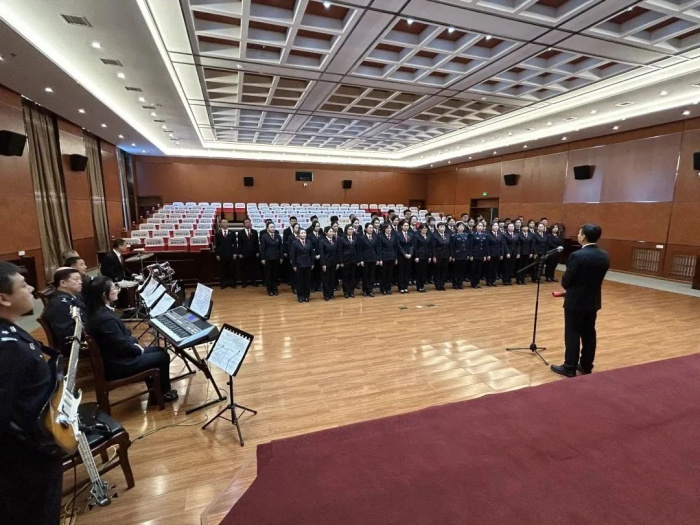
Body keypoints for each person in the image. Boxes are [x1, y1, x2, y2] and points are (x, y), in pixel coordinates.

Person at [0, 262, 63, 524]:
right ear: (4, 298)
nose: (32, 290)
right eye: (24, 286)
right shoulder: (6, 347)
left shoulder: (11, 329)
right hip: (27, 455)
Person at [85, 276, 177, 400]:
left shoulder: (98, 311)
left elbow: (122, 336)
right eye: (114, 288)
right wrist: (137, 349)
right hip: (118, 365)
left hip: (115, 357)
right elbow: (121, 345)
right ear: (104, 295)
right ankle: (162, 395)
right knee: (163, 357)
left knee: (159, 350)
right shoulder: (105, 319)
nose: (117, 290)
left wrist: (133, 343)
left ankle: (156, 392)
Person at [551, 224, 610, 378]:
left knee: (572, 333)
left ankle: (569, 367)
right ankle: (586, 365)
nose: (578, 235)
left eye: (579, 233)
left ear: (583, 236)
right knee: (589, 333)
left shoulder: (577, 256)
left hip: (575, 301)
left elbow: (567, 281)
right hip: (593, 300)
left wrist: (567, 284)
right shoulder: (604, 255)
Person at [43, 267, 86, 356]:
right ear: (63, 283)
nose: (80, 282)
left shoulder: (73, 296)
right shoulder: (60, 304)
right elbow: (67, 333)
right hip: (75, 345)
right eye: (76, 279)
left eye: (80, 279)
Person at [290, 229, 314, 303]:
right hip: (299, 264)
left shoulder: (309, 242)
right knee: (300, 281)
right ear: (298, 234)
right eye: (302, 233)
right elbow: (293, 254)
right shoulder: (295, 243)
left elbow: (312, 253)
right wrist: (294, 265)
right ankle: (300, 296)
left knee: (307, 281)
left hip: (308, 264)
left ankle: (306, 296)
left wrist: (312, 263)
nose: (304, 234)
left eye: (304, 233)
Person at [260, 222, 283, 296]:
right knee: (269, 275)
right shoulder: (264, 236)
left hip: (276, 258)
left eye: (273, 227)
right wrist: (263, 258)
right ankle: (269, 289)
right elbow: (262, 248)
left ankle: (275, 289)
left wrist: (281, 257)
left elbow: (281, 247)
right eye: (271, 227)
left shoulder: (278, 236)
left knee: (275, 274)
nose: (273, 228)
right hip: (268, 258)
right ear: (267, 229)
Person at [215, 219, 238, 289]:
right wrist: (217, 254)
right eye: (223, 222)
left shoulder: (232, 233)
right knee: (223, 270)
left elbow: (235, 244)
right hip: (222, 254)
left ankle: (232, 283)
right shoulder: (218, 233)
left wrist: (235, 253)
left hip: (231, 254)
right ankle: (223, 283)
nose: (225, 223)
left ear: (228, 224)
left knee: (231, 269)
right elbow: (217, 245)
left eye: (226, 222)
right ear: (221, 224)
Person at [237, 218, 260, 287]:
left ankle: (253, 281)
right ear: (243, 224)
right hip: (244, 254)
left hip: (253, 253)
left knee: (253, 268)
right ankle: (244, 282)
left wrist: (257, 251)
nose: (248, 223)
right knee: (244, 268)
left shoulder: (254, 232)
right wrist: (240, 253)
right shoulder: (240, 233)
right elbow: (239, 244)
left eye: (249, 222)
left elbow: (256, 243)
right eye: (246, 222)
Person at [319, 226, 339, 301]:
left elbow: (337, 252)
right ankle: (326, 294)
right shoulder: (322, 241)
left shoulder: (334, 240)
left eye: (332, 231)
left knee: (332, 279)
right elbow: (322, 254)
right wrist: (323, 264)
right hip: (326, 263)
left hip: (333, 263)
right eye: (330, 231)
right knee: (326, 280)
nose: (331, 233)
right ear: (326, 232)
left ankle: (331, 294)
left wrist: (337, 262)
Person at [338, 225, 359, 298]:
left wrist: (358, 260)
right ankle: (346, 292)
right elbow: (340, 251)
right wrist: (341, 262)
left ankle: (351, 291)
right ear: (346, 230)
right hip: (345, 261)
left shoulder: (355, 238)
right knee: (345, 277)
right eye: (349, 229)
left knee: (353, 277)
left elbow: (357, 250)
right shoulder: (342, 239)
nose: (351, 230)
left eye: (352, 229)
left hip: (354, 260)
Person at [359, 223, 378, 297]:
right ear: (366, 229)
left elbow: (377, 249)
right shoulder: (362, 238)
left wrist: (377, 259)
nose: (371, 229)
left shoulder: (375, 237)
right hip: (365, 259)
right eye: (369, 228)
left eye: (372, 228)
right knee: (365, 275)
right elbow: (360, 250)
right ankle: (364, 290)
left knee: (371, 275)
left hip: (373, 259)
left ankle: (370, 290)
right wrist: (361, 260)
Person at [377, 222, 397, 295]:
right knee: (383, 274)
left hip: (391, 257)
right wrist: (380, 259)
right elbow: (379, 248)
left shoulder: (394, 236)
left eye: (390, 228)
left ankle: (388, 288)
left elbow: (395, 248)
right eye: (387, 228)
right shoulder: (381, 237)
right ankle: (383, 289)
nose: (389, 229)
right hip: (384, 257)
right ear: (384, 229)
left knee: (390, 273)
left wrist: (396, 258)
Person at [396, 220, 413, 294]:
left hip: (409, 255)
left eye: (407, 226)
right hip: (401, 255)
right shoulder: (398, 234)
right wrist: (404, 254)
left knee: (407, 271)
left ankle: (406, 286)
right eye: (405, 226)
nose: (406, 227)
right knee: (401, 271)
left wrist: (410, 254)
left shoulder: (411, 234)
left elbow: (412, 245)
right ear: (401, 226)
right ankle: (401, 287)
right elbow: (398, 246)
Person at [413, 223, 431, 293]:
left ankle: (422, 285)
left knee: (424, 272)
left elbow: (430, 247)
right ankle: (419, 286)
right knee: (419, 272)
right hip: (419, 256)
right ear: (420, 229)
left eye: (426, 228)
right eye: (423, 228)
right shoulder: (417, 236)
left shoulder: (428, 236)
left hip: (426, 256)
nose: (425, 230)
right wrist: (416, 256)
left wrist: (429, 256)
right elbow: (415, 247)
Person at [432, 222, 451, 291]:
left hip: (446, 255)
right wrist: (434, 256)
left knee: (444, 270)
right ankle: (437, 284)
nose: (442, 228)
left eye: (443, 227)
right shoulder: (435, 235)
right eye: (441, 227)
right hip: (438, 255)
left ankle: (442, 284)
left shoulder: (447, 235)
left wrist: (450, 255)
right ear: (437, 228)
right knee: (437, 270)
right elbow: (433, 247)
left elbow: (449, 246)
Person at [450, 222, 469, 290]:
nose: (461, 228)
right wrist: (453, 256)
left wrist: (468, 254)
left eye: (462, 226)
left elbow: (467, 245)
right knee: (456, 270)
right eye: (460, 226)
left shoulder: (466, 235)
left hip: (464, 254)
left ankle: (460, 283)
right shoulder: (454, 235)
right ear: (457, 227)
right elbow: (452, 247)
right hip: (457, 255)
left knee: (462, 270)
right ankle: (455, 284)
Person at [468, 222, 488, 289]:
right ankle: (473, 283)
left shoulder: (484, 235)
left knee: (479, 270)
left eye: (481, 226)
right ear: (476, 227)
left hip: (481, 254)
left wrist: (485, 255)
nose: (480, 227)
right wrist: (471, 255)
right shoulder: (472, 234)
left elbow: (485, 246)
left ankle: (477, 282)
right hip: (474, 254)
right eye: (479, 225)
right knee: (474, 269)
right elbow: (471, 245)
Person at [485, 223, 504, 287]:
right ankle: (488, 281)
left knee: (495, 268)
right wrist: (488, 254)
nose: (496, 227)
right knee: (489, 268)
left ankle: (493, 281)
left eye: (497, 226)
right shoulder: (488, 235)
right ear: (491, 227)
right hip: (491, 254)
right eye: (494, 226)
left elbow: (501, 245)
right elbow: (487, 246)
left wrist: (501, 254)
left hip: (497, 254)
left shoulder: (500, 234)